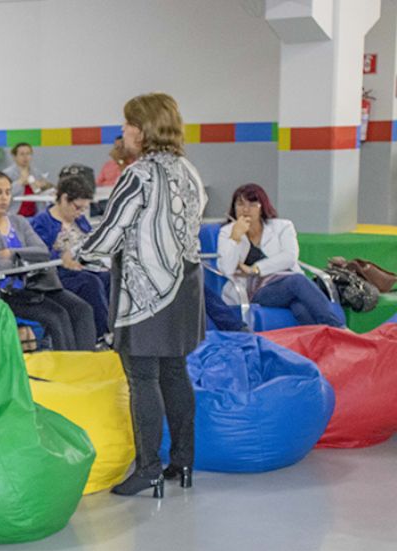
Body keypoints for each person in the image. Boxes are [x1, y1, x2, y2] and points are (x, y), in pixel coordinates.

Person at [80, 92, 206, 497]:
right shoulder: (188, 170)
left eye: (127, 124)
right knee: (175, 372)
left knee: (142, 379)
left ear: (142, 129)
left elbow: (109, 233)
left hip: (146, 294)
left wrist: (78, 254)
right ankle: (183, 461)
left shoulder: (138, 175)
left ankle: (148, 467)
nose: (123, 130)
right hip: (185, 288)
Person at [0, 171, 96, 350]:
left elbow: (42, 251)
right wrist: (28, 259)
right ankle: (67, 370)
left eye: (8, 192)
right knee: (57, 316)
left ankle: (86, 364)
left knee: (82, 310)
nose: (4, 198)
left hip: (38, 285)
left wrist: (12, 253)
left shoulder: (19, 221)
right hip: (5, 293)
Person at [217, 183, 344, 327]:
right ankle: (340, 330)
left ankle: (321, 344)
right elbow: (226, 269)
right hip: (255, 290)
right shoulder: (227, 232)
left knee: (301, 308)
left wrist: (255, 269)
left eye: (252, 204)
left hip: (285, 281)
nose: (246, 210)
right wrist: (235, 237)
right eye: (240, 204)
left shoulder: (282, 227)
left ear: (262, 206)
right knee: (297, 281)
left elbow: (290, 257)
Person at [30, 175, 111, 339]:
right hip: (58, 274)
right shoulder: (42, 222)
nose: (80, 213)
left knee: (110, 277)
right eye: (77, 207)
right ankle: (101, 334)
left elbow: (91, 241)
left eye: (83, 209)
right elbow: (39, 254)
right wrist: (62, 256)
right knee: (91, 283)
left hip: (85, 268)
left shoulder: (80, 221)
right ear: (64, 198)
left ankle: (114, 327)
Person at [3, 142, 52, 218]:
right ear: (14, 156)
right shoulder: (7, 174)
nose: (25, 157)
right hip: (15, 215)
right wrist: (20, 183)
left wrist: (43, 186)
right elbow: (4, 194)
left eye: (28, 154)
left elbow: (44, 192)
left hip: (35, 214)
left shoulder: (37, 173)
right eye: (22, 154)